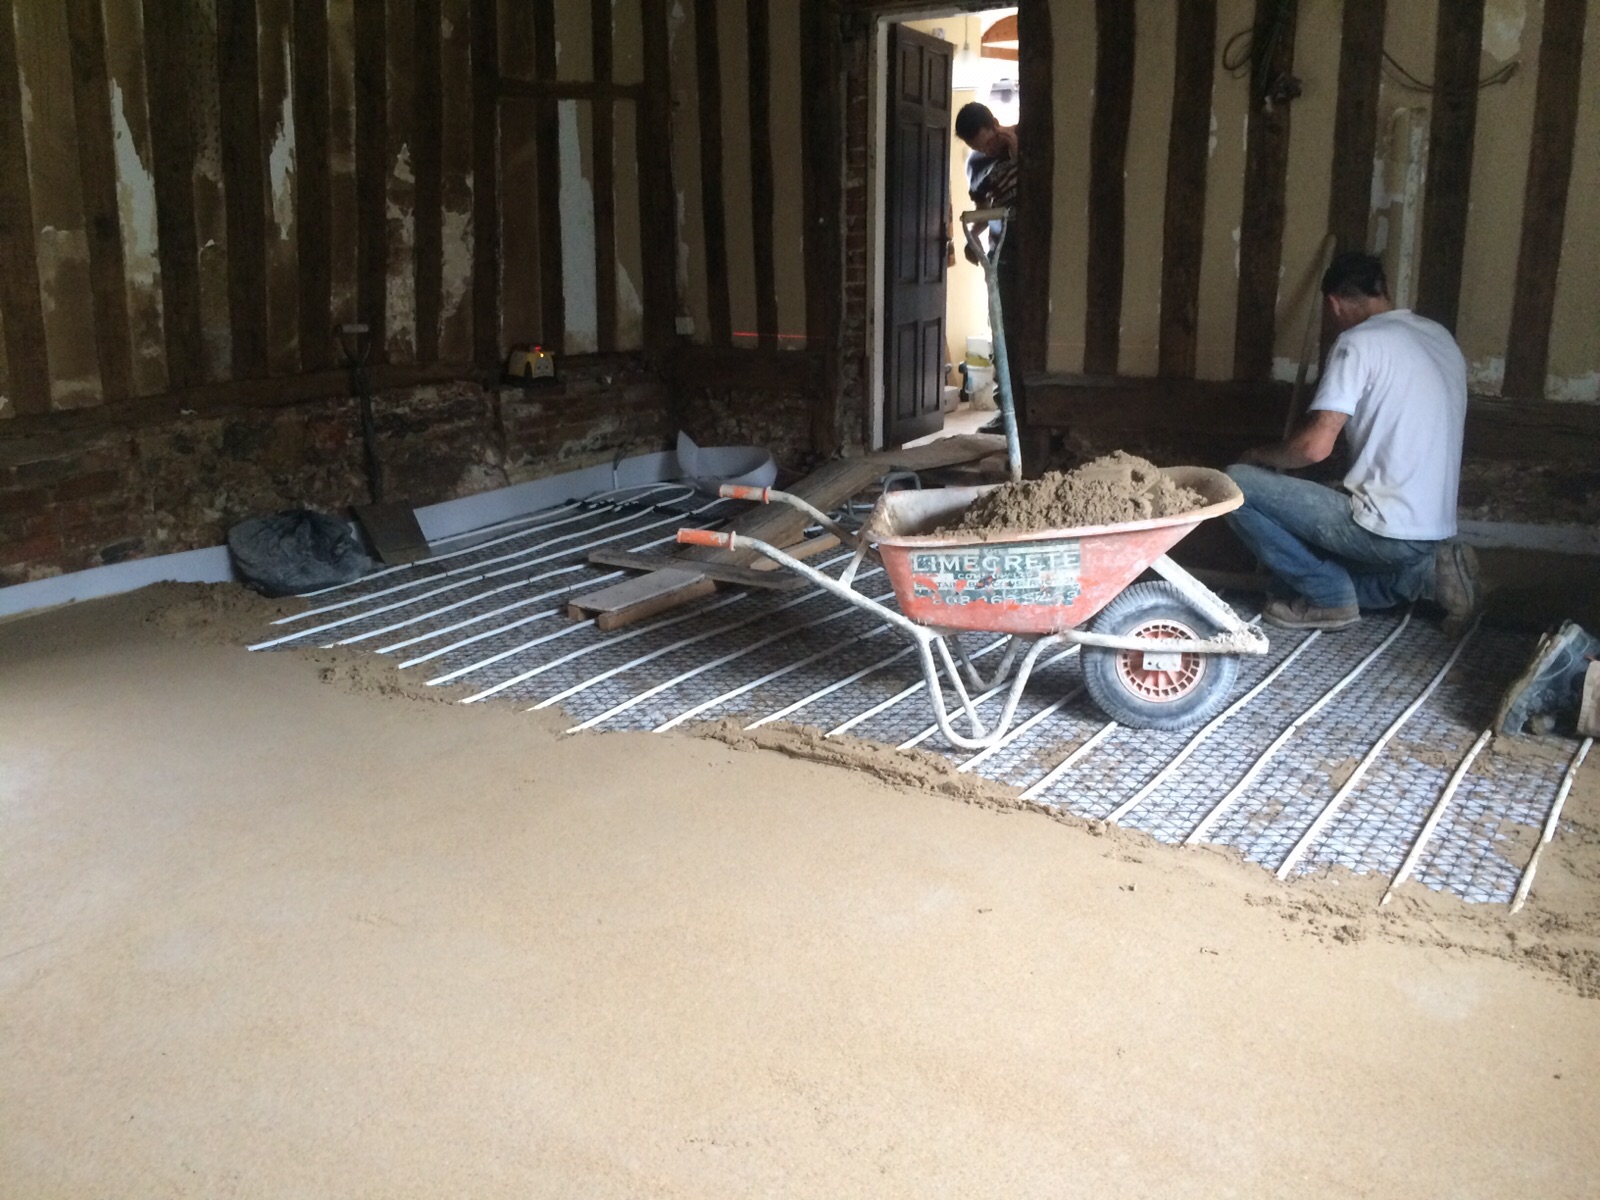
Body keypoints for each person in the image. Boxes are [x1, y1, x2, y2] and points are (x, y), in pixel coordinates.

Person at [1224, 251, 1479, 633]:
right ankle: (1429, 574)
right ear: (1383, 290)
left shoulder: (1357, 342)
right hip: (1430, 531)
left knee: (1233, 484)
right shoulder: (1438, 336)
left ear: (1334, 304)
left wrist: (1259, 455)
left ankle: (1329, 598)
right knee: (1286, 584)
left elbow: (1314, 448)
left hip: (1384, 530)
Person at [954, 102, 1018, 436]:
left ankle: (1026, 412)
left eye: (989, 143)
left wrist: (1014, 147)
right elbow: (984, 210)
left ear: (996, 123)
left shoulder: (1024, 140)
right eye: (979, 148)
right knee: (1002, 331)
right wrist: (972, 240)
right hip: (1000, 254)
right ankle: (1005, 411)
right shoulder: (977, 164)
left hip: (1031, 253)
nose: (987, 151)